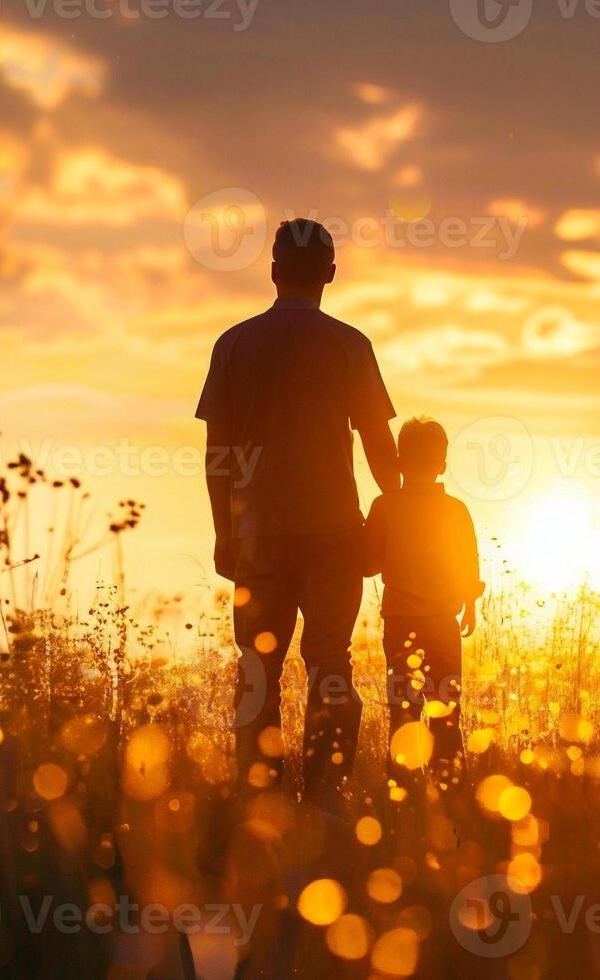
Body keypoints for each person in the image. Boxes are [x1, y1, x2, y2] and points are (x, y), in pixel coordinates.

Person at [196, 218, 398, 811]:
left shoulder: (234, 343)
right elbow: (382, 452)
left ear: (275, 271)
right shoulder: (349, 344)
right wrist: (396, 515)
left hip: (259, 537)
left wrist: (224, 530)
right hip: (337, 532)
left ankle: (259, 797)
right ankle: (327, 797)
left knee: (258, 666)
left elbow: (219, 455)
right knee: (331, 663)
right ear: (330, 274)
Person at [363, 417, 484, 778]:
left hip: (401, 624)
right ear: (442, 465)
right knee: (446, 708)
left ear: (400, 461)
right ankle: (449, 783)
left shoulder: (385, 506)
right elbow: (467, 562)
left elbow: (368, 566)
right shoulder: (456, 510)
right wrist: (470, 605)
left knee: (403, 710)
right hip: (443, 625)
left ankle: (399, 786)